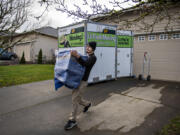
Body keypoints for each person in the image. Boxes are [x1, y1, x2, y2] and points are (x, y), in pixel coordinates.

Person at [64, 41, 97, 130]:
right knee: (77, 98)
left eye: (89, 47)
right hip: (77, 80)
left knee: (75, 99)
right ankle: (88, 104)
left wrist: (77, 56)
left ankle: (72, 120)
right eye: (86, 46)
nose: (87, 48)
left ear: (93, 49)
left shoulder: (93, 58)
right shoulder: (85, 56)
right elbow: (78, 62)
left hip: (83, 82)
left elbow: (85, 64)